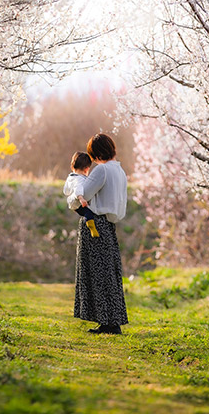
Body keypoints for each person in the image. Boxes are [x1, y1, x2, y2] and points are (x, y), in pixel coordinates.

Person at [72, 133, 129, 335]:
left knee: (97, 273)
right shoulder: (120, 171)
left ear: (96, 154)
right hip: (109, 226)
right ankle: (111, 321)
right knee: (108, 273)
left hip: (95, 223)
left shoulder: (101, 170)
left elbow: (83, 194)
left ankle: (107, 322)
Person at [64, 152, 100, 237]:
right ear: (86, 169)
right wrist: (81, 198)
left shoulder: (70, 177)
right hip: (79, 202)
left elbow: (65, 191)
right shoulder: (80, 179)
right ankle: (92, 227)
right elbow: (78, 189)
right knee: (89, 212)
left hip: (72, 203)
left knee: (84, 212)